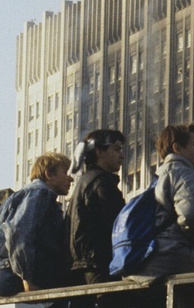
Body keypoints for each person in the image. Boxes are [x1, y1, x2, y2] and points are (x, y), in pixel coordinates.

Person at [125, 124, 194, 307]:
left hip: (148, 258)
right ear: (178, 148)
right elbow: (193, 215)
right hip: (168, 255)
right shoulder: (182, 170)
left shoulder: (159, 176)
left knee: (191, 269)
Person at [0, 152, 73, 303]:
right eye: (65, 172)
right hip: (6, 272)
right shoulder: (39, 193)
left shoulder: (37, 196)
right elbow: (19, 234)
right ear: (49, 174)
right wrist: (27, 279)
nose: (71, 178)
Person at [64, 129, 127, 308]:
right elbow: (119, 223)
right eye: (116, 149)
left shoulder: (85, 181)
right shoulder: (101, 182)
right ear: (99, 152)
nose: (121, 155)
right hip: (98, 265)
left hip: (82, 268)